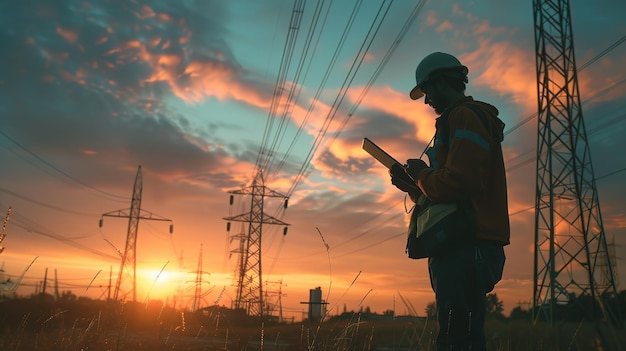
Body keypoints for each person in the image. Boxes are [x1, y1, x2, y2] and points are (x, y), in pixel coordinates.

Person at [390, 52, 510, 350]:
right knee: (463, 337)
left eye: (427, 91)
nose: (427, 100)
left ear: (442, 82)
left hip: (467, 246)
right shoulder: (458, 120)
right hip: (466, 245)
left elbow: (459, 183)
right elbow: (450, 192)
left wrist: (421, 175)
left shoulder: (464, 117)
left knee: (457, 340)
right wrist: (414, 186)